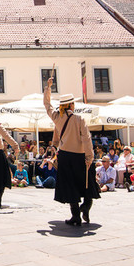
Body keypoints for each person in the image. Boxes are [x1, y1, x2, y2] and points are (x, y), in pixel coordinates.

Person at [43, 78, 97, 225]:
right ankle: (85, 207)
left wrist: (48, 88)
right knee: (87, 184)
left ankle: (75, 216)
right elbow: (87, 139)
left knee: (70, 186)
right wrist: (89, 156)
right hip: (81, 156)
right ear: (72, 104)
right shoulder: (79, 119)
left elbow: (47, 105)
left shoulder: (57, 118)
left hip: (65, 156)